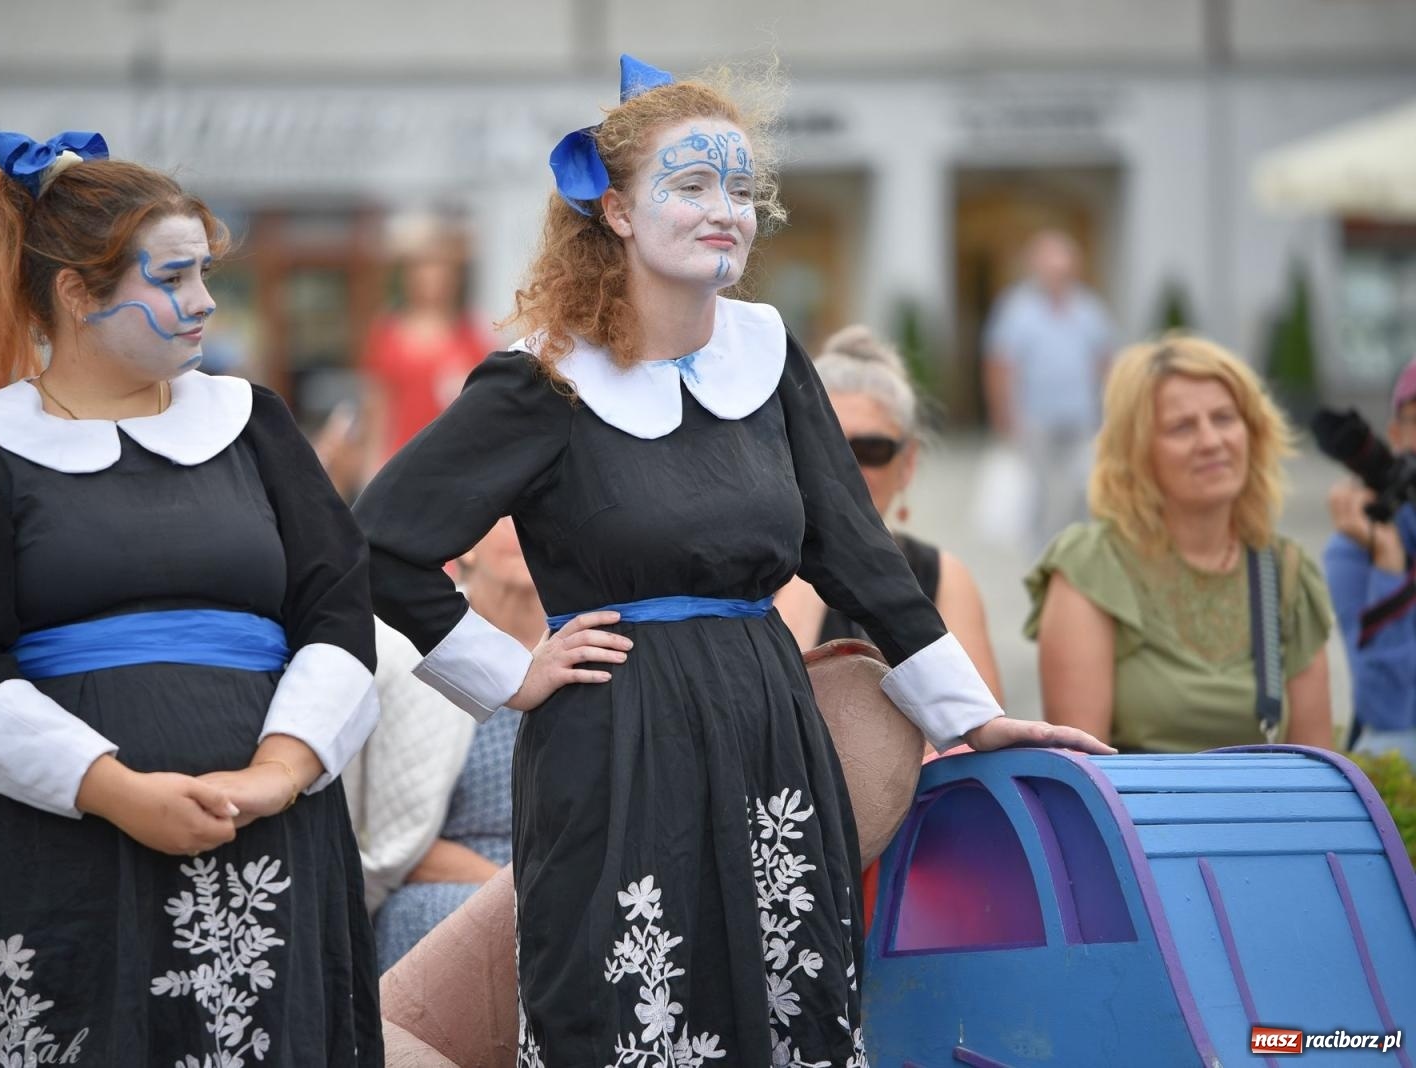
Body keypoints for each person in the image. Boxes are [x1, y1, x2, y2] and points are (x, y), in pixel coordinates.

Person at [354, 56, 1108, 1064]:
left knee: (778, 997)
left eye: (742, 190)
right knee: (624, 1003)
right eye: (694, 185)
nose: (728, 211)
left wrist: (968, 714)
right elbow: (379, 540)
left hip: (765, 725)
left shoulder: (766, 352)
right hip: (614, 737)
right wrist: (507, 671)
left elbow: (853, 550)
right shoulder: (542, 384)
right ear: (616, 211)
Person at [0, 130, 382, 1065]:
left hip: (266, 833)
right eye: (174, 278)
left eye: (204, 275)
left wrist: (275, 773)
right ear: (77, 293)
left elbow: (339, 610)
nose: (203, 304)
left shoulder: (251, 420)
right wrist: (115, 792)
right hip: (54, 843)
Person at [1027, 335, 1334, 753]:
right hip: (1131, 818)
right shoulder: (1092, 566)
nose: (1211, 441)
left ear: (1253, 431)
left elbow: (1318, 775)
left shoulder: (1286, 572)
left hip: (1260, 817)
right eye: (1181, 427)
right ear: (1136, 451)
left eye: (1224, 418)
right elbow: (1081, 780)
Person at [776, 325, 1004, 700]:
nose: (844, 470)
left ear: (908, 463)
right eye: (826, 448)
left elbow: (976, 740)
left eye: (871, 450)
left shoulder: (941, 577)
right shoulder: (747, 570)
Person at [360, 517, 537, 969]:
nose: (522, 529)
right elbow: (395, 844)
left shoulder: (597, 646)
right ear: (465, 545)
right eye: (506, 515)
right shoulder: (407, 654)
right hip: (446, 886)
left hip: (566, 877)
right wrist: (516, 892)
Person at [982, 229, 1116, 552]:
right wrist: (1002, 414)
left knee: (1084, 487)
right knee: (1039, 492)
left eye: (1063, 265)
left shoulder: (1089, 308)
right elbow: (1000, 365)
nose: (1057, 273)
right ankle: (1041, 555)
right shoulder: (1016, 309)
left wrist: (1112, 411)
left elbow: (1106, 362)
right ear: (1035, 267)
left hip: (1081, 416)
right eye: (1050, 265)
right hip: (1035, 417)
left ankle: (1079, 551)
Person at [1323, 355, 1416, 764]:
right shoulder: (1355, 548)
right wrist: (1389, 561)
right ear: (1395, 435)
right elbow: (1386, 712)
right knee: (1389, 747)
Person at [361, 225, 493, 465]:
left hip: (453, 464)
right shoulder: (388, 332)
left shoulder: (472, 335)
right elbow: (378, 408)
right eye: (424, 267)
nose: (432, 276)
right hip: (399, 463)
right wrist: (372, 471)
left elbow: (484, 410)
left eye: (441, 267)